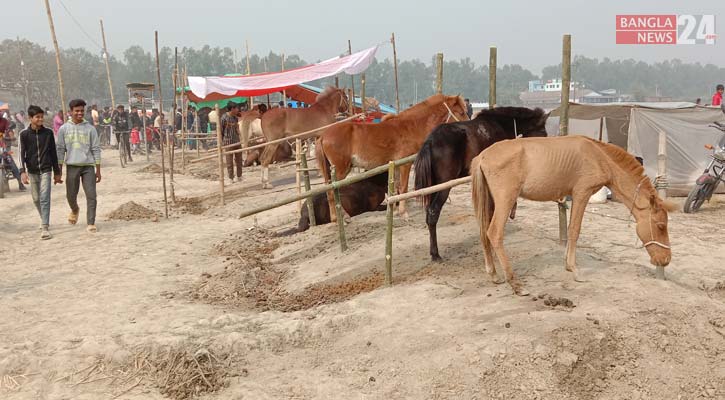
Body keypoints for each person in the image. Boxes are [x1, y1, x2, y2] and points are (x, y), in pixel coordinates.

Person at [56, 99, 102, 233]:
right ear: (70, 112)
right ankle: (75, 209)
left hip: (88, 166)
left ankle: (91, 222)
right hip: (72, 166)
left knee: (91, 195)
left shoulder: (90, 129)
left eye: (82, 110)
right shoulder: (64, 129)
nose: (80, 113)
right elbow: (60, 150)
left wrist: (98, 170)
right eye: (77, 111)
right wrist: (59, 171)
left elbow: (96, 149)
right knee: (71, 195)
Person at [18, 105, 61, 239]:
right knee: (36, 198)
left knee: (44, 198)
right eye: (37, 117)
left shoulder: (48, 133)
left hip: (46, 169)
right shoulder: (23, 134)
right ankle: (43, 218)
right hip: (32, 170)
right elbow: (20, 154)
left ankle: (45, 227)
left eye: (42, 117)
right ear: (30, 118)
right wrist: (22, 172)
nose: (41, 119)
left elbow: (53, 153)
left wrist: (57, 172)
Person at [0, 113, 26, 191]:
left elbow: (9, 130)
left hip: (4, 147)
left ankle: (20, 183)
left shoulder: (4, 121)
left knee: (11, 162)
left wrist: (11, 137)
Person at [221, 102, 243, 182]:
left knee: (239, 160)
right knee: (229, 162)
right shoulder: (224, 118)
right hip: (228, 142)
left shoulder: (235, 118)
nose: (238, 110)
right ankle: (231, 177)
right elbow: (221, 131)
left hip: (236, 141)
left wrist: (241, 137)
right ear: (232, 109)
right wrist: (221, 142)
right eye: (236, 108)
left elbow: (237, 129)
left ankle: (239, 176)